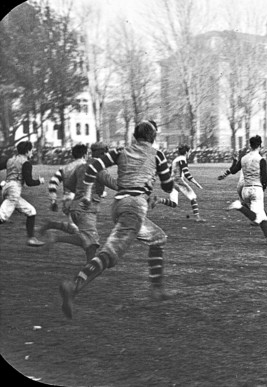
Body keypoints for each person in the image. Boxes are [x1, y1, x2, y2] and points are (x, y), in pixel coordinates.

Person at [58, 121, 175, 319]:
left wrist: (87, 191)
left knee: (158, 238)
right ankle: (73, 286)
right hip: (134, 207)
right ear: (153, 137)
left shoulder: (121, 151)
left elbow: (94, 166)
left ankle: (156, 288)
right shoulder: (158, 155)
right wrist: (167, 176)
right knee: (110, 255)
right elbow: (168, 187)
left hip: (119, 205)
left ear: (134, 136)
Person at [39, 142, 115, 260]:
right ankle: (56, 238)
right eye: (106, 153)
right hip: (87, 208)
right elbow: (113, 183)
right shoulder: (98, 167)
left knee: (87, 240)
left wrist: (82, 192)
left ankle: (88, 265)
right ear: (102, 153)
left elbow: (70, 184)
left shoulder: (81, 167)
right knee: (91, 242)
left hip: (75, 207)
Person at [225, 135, 267, 245]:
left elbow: (235, 170)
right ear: (260, 145)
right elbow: (264, 179)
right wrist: (263, 188)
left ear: (250, 145)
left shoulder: (244, 158)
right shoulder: (261, 160)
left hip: (245, 190)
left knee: (262, 216)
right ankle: (238, 206)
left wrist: (228, 170)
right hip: (256, 189)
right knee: (256, 218)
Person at [0, 141, 46, 246]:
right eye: (31, 150)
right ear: (27, 151)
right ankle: (31, 239)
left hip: (6, 188)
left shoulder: (10, 160)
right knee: (2, 217)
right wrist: (39, 181)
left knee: (31, 211)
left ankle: (31, 238)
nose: (32, 152)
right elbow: (29, 182)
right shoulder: (26, 163)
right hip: (14, 190)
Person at [151, 144, 205, 222]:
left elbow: (168, 171)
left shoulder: (175, 160)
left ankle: (159, 200)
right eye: (189, 152)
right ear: (186, 152)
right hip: (179, 181)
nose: (189, 154)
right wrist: (196, 183)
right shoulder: (183, 159)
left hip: (172, 182)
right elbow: (187, 174)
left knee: (174, 203)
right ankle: (197, 217)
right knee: (193, 197)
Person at [47, 143, 88, 215]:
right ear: (85, 155)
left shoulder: (64, 168)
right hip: (81, 202)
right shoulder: (86, 167)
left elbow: (52, 183)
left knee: (72, 224)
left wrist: (53, 200)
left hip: (67, 200)